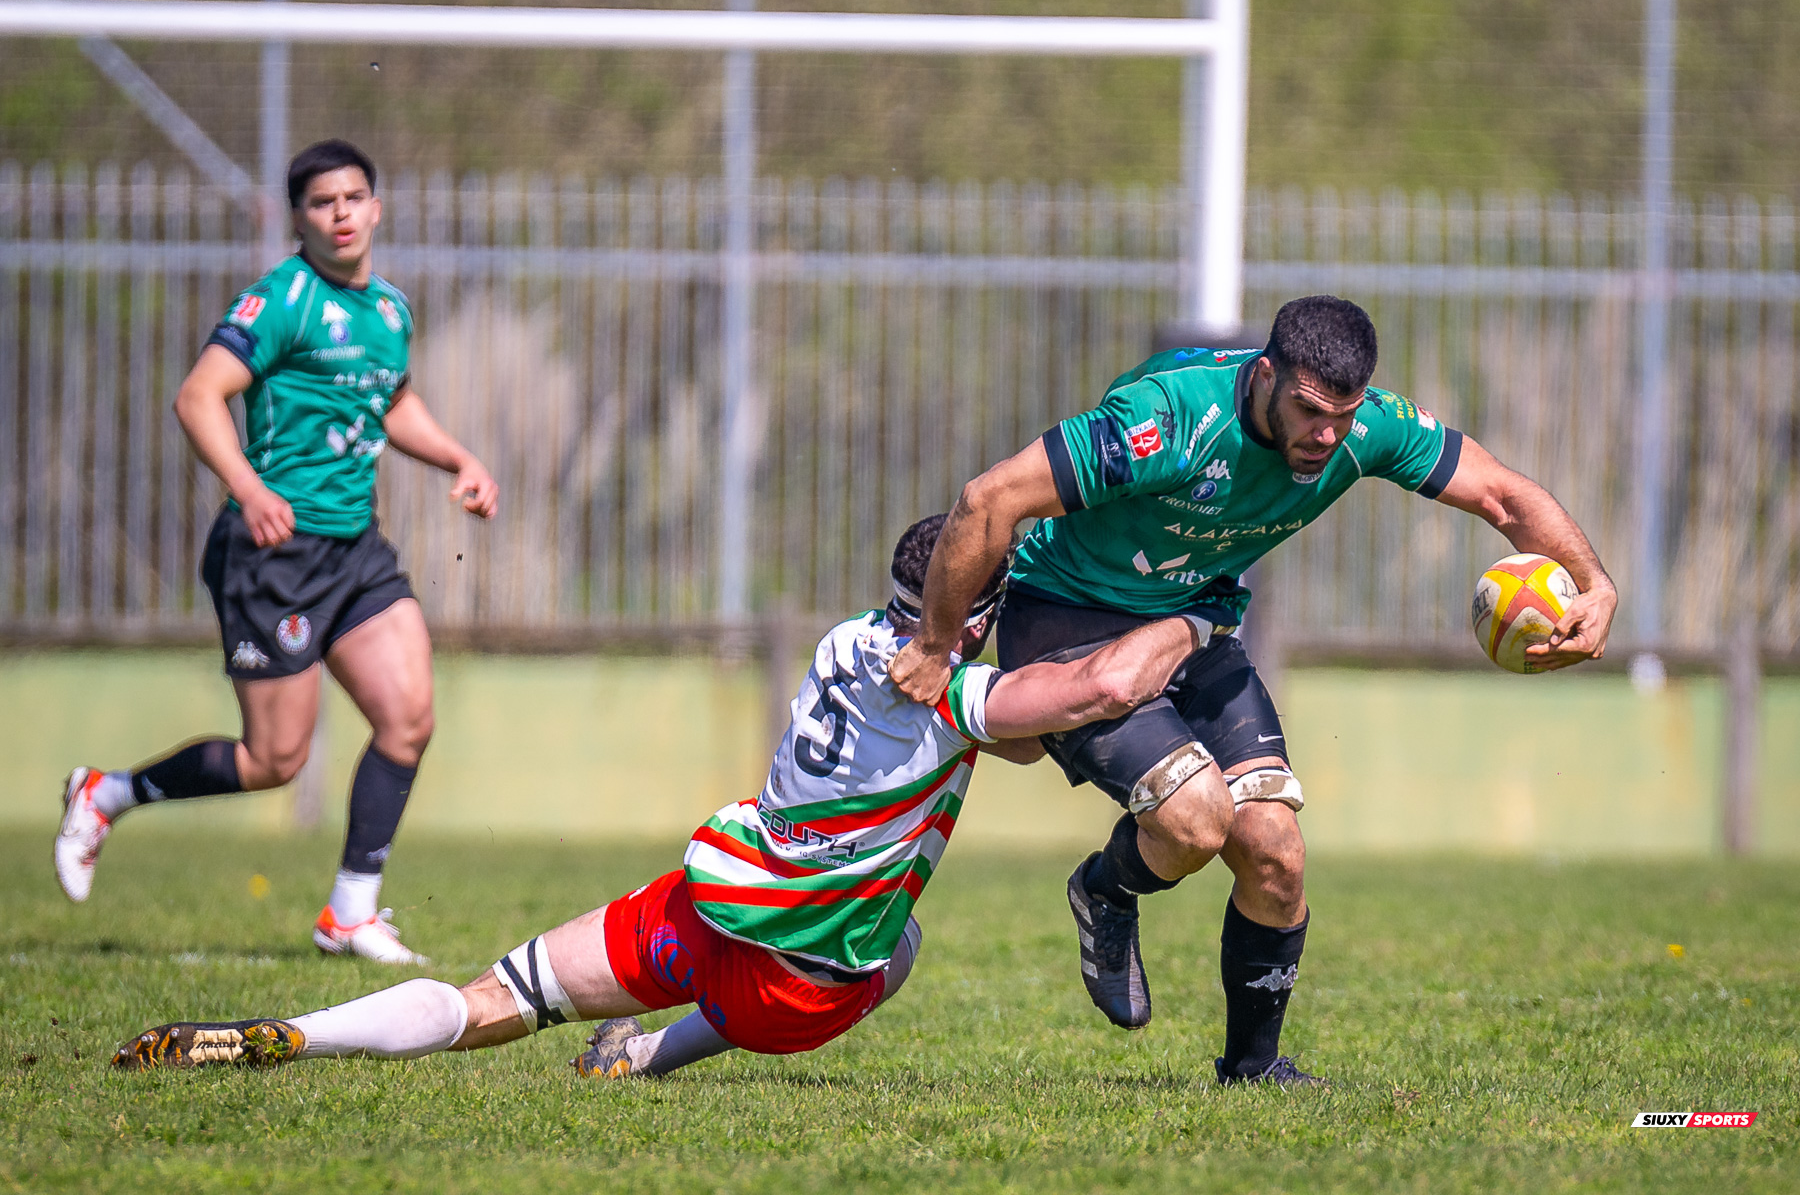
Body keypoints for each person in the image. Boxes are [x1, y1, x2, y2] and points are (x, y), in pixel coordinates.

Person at [110, 515, 1217, 1077]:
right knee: (902, 943)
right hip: (801, 987)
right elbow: (1105, 685)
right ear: (970, 614)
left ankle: (298, 1036)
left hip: (709, 903)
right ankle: (655, 1054)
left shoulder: (846, 640)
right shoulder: (952, 689)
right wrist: (1202, 613)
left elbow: (1008, 740)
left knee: (494, 1001)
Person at [890, 295, 1618, 1086]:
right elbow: (987, 499)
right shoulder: (1167, 420)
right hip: (1068, 619)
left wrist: (1595, 584)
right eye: (1309, 411)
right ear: (1266, 375)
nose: (1327, 436)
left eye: (1342, 415)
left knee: (1276, 851)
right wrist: (935, 643)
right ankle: (1107, 889)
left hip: (1194, 623)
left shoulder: (1367, 429)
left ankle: (1250, 1066)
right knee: (1196, 821)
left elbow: (1503, 496)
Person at [53, 139, 499, 964]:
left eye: (354, 197)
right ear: (299, 217)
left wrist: (459, 458)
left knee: (407, 720)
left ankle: (351, 912)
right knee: (274, 760)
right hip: (273, 554)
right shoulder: (282, 300)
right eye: (323, 202)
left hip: (355, 549)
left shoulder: (391, 310)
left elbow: (390, 400)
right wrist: (250, 489)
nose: (341, 214)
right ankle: (105, 792)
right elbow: (198, 396)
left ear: (376, 207)